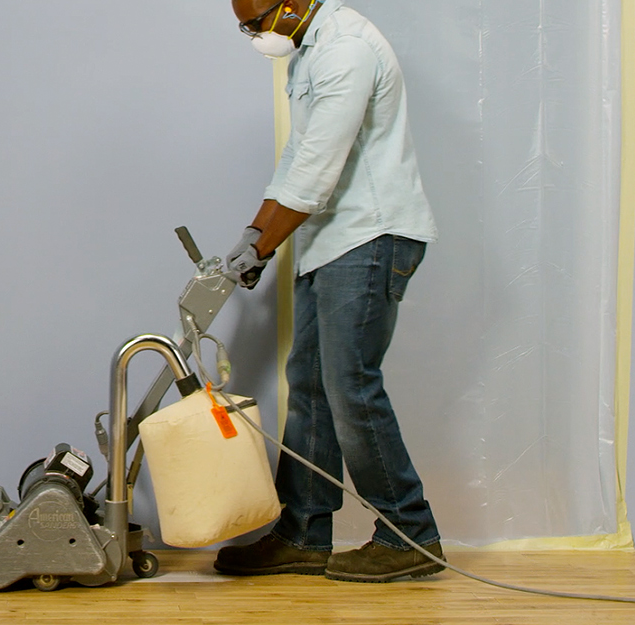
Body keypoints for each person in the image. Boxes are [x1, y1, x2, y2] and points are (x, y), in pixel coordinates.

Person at [216, 0, 444, 583]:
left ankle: (409, 535)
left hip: (370, 233)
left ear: (290, 6)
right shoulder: (311, 52)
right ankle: (303, 532)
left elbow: (318, 167)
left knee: (349, 385)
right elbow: (297, 156)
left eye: (255, 23)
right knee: (313, 386)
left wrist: (265, 247)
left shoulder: (345, 48)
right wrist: (252, 233)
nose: (254, 35)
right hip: (333, 237)